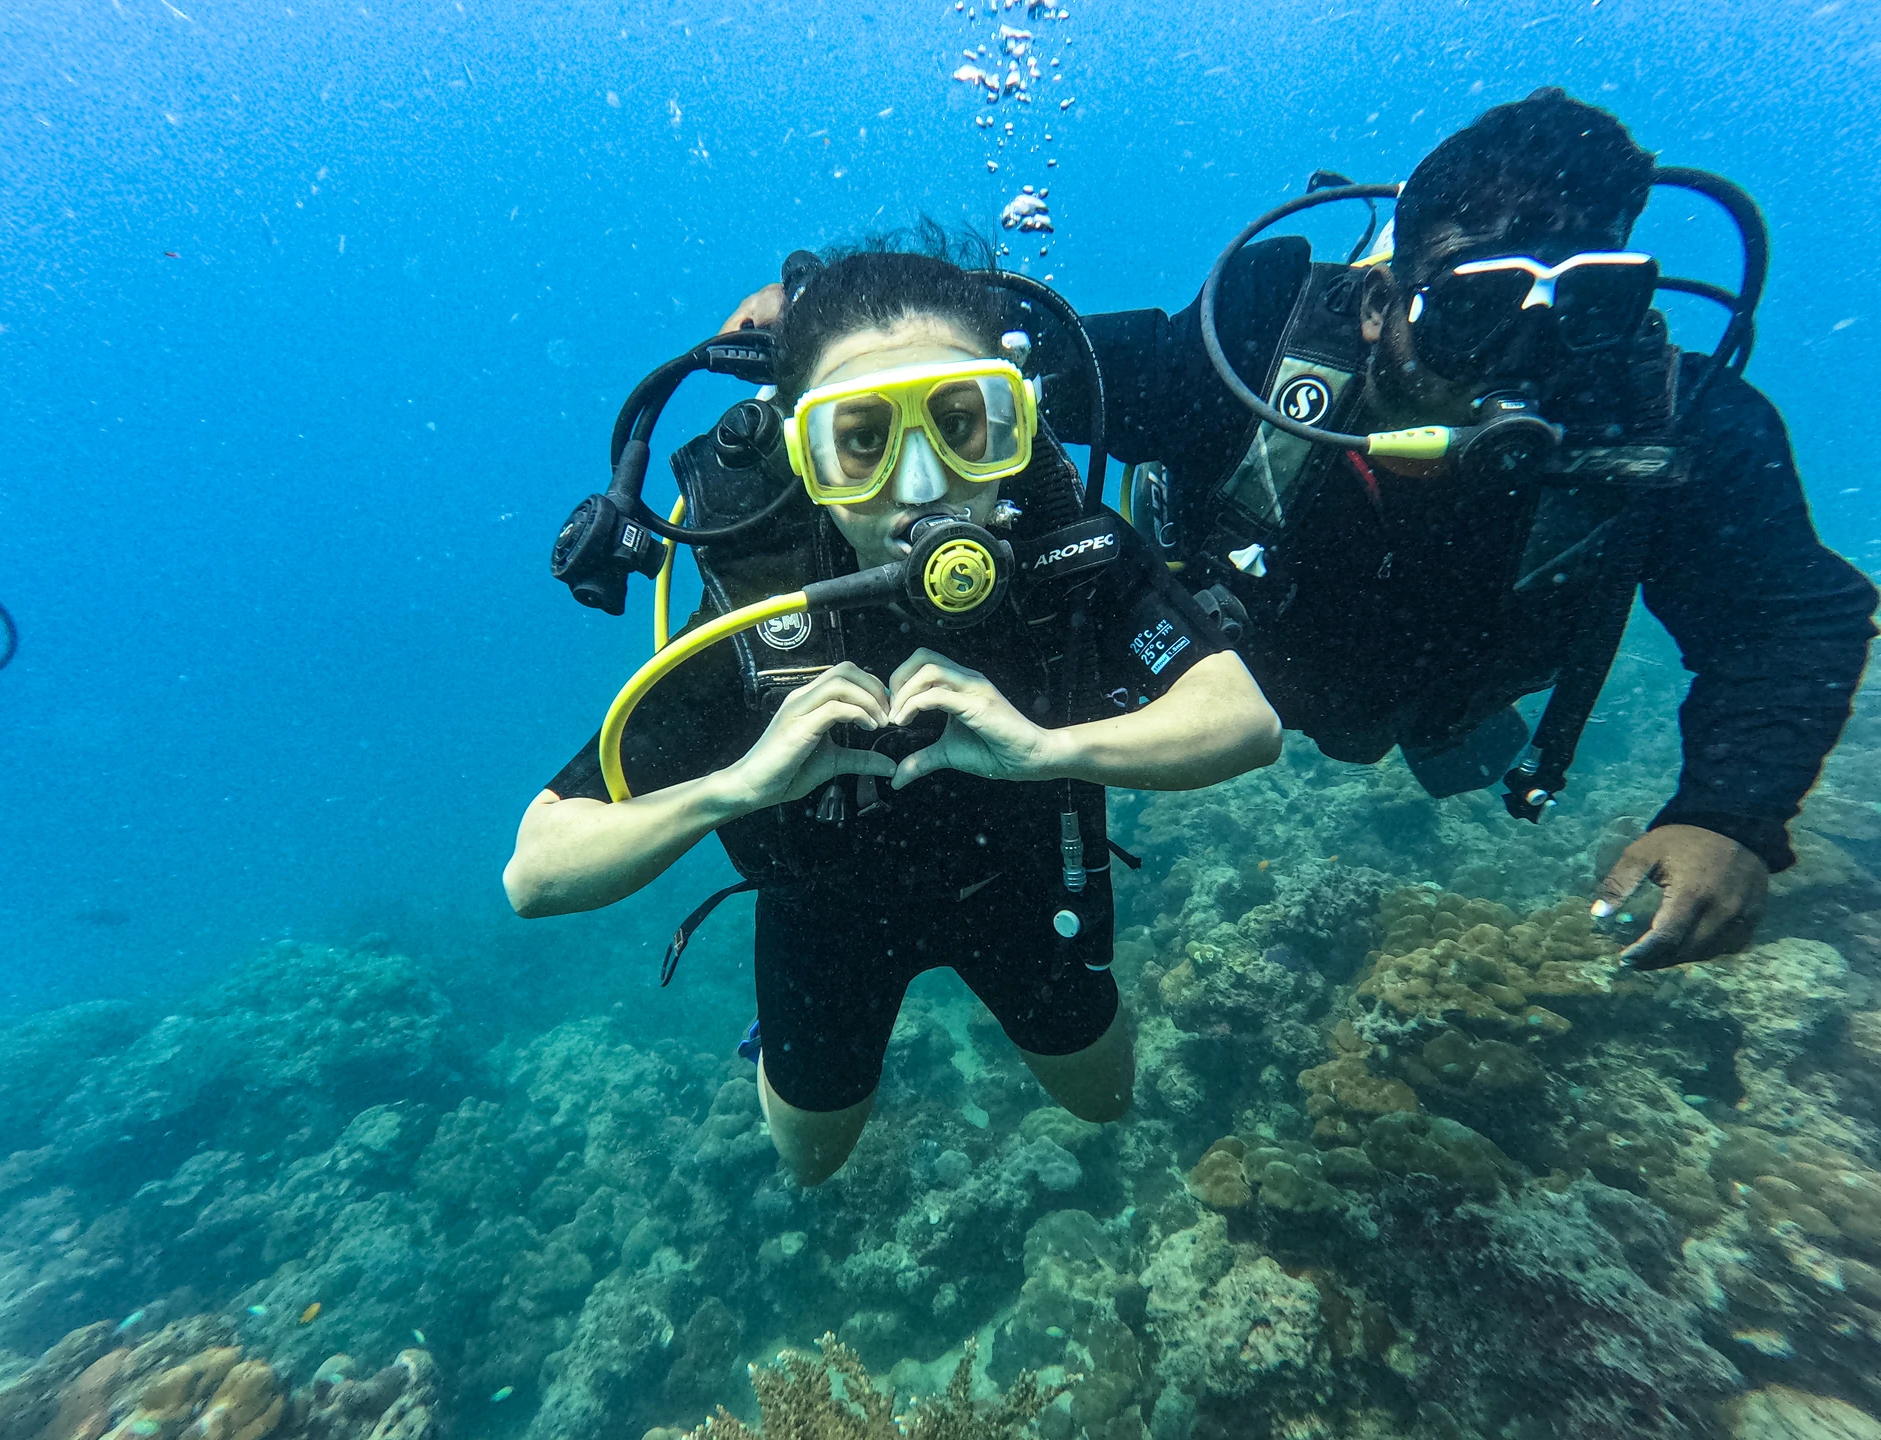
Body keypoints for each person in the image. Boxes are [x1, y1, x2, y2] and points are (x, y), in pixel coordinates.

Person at [728, 91, 1876, 972]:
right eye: (1472, 311)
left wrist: (1730, 812)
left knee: (1449, 743)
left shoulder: (1683, 429)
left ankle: (1445, 734)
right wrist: (846, 325)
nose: (1530, 360)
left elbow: (1790, 617)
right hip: (1247, 676)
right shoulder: (1252, 357)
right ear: (1380, 304)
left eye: (1592, 309)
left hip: (1449, 697)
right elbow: (1033, 369)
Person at [505, 240, 1282, 1185]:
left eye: (960, 424)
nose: (921, 486)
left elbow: (1245, 721)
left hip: (1020, 879)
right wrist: (735, 787)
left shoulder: (1071, 557)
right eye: (863, 440)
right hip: (825, 917)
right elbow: (535, 871)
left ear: (1015, 420)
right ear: (804, 456)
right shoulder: (757, 613)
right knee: (811, 1162)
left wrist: (1046, 750)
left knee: (1105, 1100)